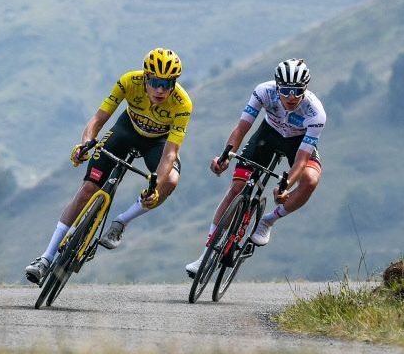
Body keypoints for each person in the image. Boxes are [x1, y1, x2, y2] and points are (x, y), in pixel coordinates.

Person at [25, 48, 193, 284]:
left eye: (167, 84)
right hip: (126, 131)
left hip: (158, 143)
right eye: (155, 81)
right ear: (145, 77)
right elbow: (98, 119)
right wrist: (85, 145)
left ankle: (121, 221)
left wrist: (155, 185)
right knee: (87, 190)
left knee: (171, 180)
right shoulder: (129, 82)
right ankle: (46, 258)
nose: (160, 89)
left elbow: (170, 153)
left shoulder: (182, 103)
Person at [185, 58, 326, 277]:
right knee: (237, 187)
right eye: (286, 90)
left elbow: (300, 159)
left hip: (297, 143)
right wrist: (225, 157)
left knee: (310, 179)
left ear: (305, 89)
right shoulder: (264, 92)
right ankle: (205, 255)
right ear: (278, 85)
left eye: (297, 91)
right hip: (267, 135)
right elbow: (242, 128)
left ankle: (268, 220)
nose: (291, 97)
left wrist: (286, 184)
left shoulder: (315, 112)